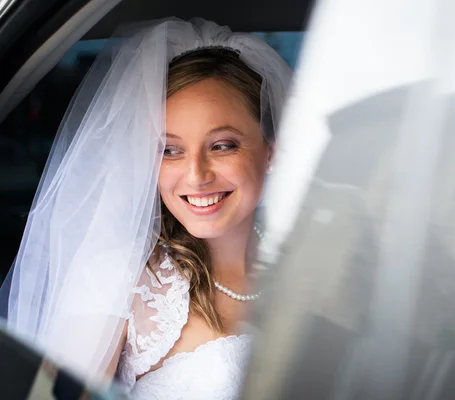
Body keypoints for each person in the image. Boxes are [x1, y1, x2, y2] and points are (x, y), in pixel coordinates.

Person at [0, 18, 291, 399]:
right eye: (169, 150)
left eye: (222, 145)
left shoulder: (302, 258)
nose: (196, 175)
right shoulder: (117, 280)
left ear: (270, 150)